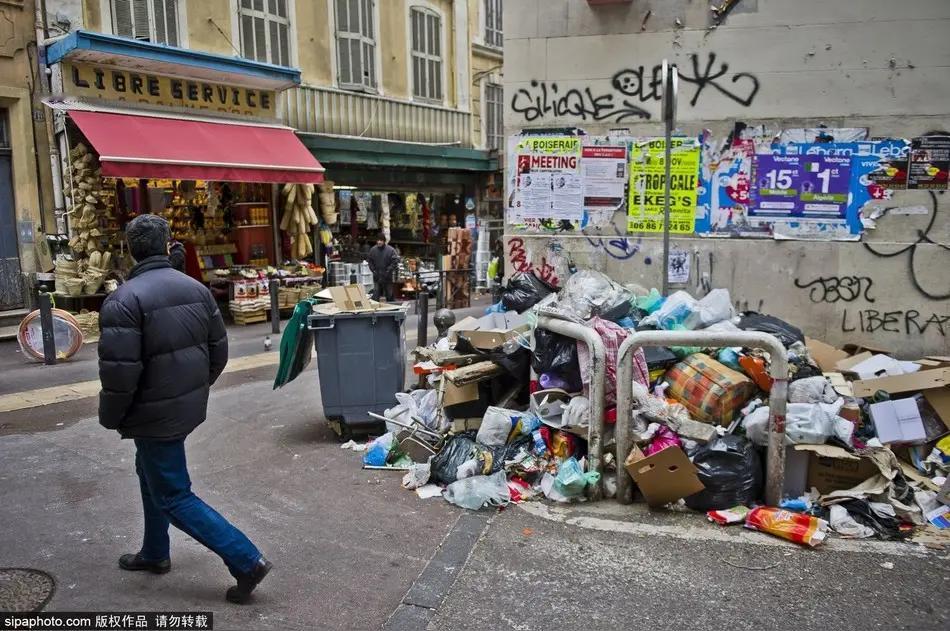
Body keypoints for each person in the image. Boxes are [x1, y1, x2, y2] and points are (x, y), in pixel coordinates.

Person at [97, 214, 270, 605]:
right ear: (168, 243)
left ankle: (247, 559)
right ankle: (155, 552)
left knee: (173, 493)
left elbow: (118, 376)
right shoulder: (196, 289)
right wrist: (192, 389)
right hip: (182, 407)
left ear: (129, 249)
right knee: (150, 470)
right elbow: (218, 351)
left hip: (153, 415)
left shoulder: (122, 300)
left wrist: (111, 417)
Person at [366, 232, 398, 301]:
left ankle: (391, 309)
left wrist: (388, 270)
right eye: (378, 240)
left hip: (387, 276)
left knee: (389, 294)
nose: (379, 242)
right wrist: (373, 270)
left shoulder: (391, 250)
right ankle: (375, 309)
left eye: (381, 240)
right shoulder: (373, 250)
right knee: (376, 295)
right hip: (377, 276)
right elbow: (370, 261)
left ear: (384, 241)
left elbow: (394, 261)